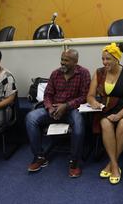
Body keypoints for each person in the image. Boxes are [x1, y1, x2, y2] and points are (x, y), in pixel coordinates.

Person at [25, 49, 90, 178]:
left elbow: (84, 97)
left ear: (75, 61)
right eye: (62, 59)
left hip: (72, 110)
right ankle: (39, 157)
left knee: (78, 124)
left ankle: (74, 162)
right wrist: (49, 108)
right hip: (53, 109)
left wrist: (66, 106)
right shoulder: (55, 74)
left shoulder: (83, 73)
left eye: (66, 60)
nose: (62, 63)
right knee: (30, 117)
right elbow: (47, 94)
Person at [87, 42, 123, 185]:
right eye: (103, 59)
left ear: (117, 59)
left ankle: (111, 164)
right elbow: (90, 96)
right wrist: (94, 103)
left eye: (108, 59)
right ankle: (115, 164)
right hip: (108, 108)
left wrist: (119, 115)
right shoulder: (98, 73)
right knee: (104, 123)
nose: (105, 62)